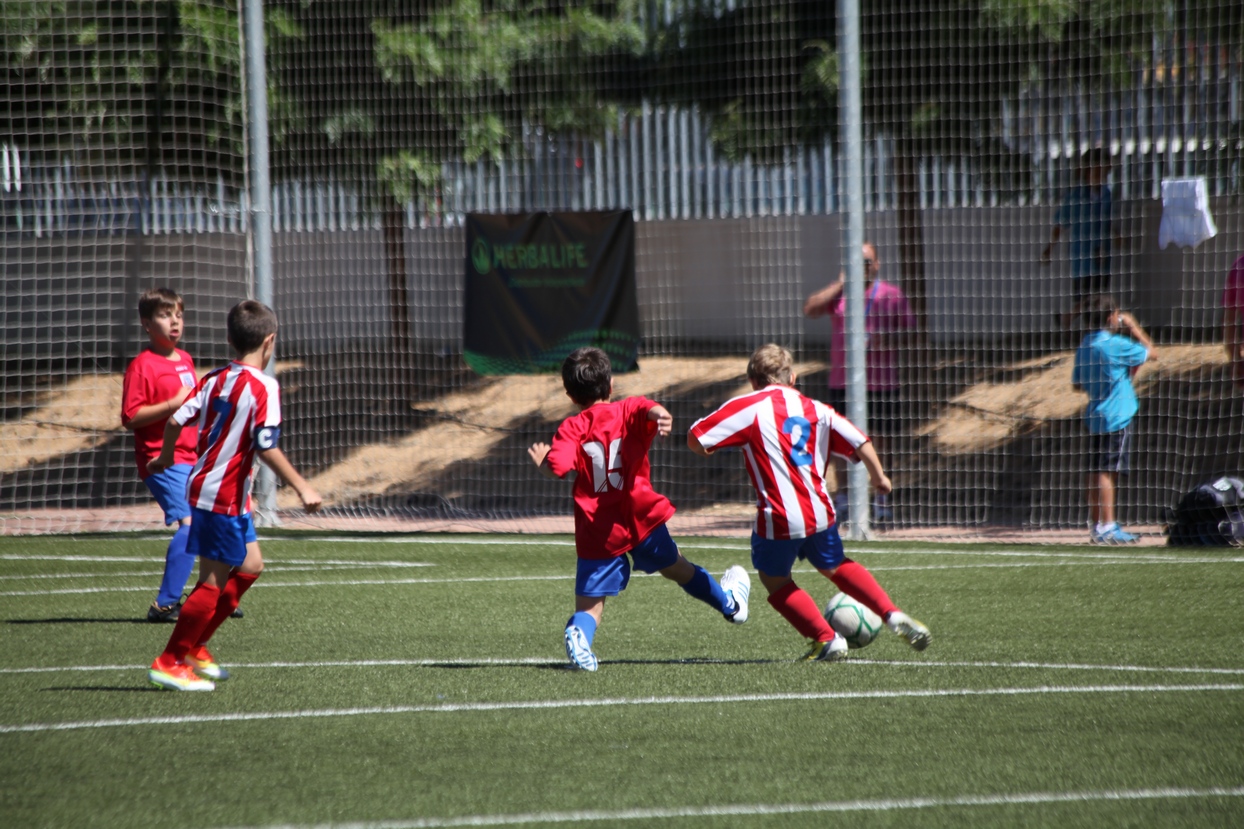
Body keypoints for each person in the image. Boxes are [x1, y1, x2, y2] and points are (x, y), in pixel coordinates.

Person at [687, 344, 930, 662]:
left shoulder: (749, 406)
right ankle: (890, 613)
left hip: (779, 515)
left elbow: (697, 435)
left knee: (774, 579)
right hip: (820, 511)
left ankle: (826, 639)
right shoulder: (816, 408)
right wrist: (879, 478)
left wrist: (705, 449)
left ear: (752, 380)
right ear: (793, 377)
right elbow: (860, 441)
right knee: (836, 565)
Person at [528, 347, 751, 672]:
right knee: (679, 568)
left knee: (591, 608)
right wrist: (660, 415)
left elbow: (559, 467)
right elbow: (647, 408)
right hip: (639, 520)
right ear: (612, 384)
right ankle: (729, 604)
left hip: (598, 528)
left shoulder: (571, 428)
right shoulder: (627, 408)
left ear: (570, 395)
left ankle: (579, 634)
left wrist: (544, 463)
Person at [146, 300, 321, 691]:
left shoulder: (214, 378)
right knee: (211, 581)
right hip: (219, 494)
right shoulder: (265, 387)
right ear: (270, 341)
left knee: (252, 566)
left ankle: (196, 646)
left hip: (222, 490)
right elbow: (266, 445)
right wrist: (302, 485)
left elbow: (176, 420)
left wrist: (168, 456)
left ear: (230, 339)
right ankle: (170, 660)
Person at [802, 241, 914, 522]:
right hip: (843, 383)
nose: (862, 267)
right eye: (856, 261)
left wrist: (886, 340)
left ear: (876, 265)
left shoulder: (891, 295)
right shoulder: (840, 293)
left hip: (882, 383)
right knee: (840, 443)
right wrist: (840, 283)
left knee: (883, 442)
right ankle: (843, 500)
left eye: (867, 262)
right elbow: (810, 309)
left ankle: (882, 500)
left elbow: (914, 334)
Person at [121, 287, 202, 622]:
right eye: (165, 315)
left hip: (192, 456)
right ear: (146, 323)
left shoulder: (185, 359)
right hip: (162, 460)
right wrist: (174, 402)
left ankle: (208, 596)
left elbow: (191, 407)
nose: (174, 322)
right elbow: (130, 417)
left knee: (214, 519)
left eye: (179, 315)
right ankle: (165, 605)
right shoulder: (142, 366)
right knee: (191, 523)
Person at [1071, 295, 1154, 545]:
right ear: (1111, 317)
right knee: (1108, 471)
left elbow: (1077, 383)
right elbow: (1152, 352)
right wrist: (1133, 327)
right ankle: (1108, 525)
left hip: (1095, 414)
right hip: (1118, 415)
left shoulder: (1086, 344)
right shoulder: (1116, 344)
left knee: (1096, 470)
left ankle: (1097, 526)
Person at [1042, 147, 1115, 326]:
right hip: (1082, 257)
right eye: (1095, 168)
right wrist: (1049, 248)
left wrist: (1117, 236)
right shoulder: (1075, 197)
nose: (1099, 173)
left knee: (1100, 296)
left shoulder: (1107, 195)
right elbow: (1060, 223)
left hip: (1102, 255)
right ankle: (1071, 318)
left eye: (1103, 168)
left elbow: (1109, 222)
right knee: (1087, 296)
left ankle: (1069, 317)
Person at [1224, 251, 1244, 387]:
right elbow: (1229, 318)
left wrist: (1235, 359)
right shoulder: (1239, 267)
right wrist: (1235, 359)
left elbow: (1228, 318)